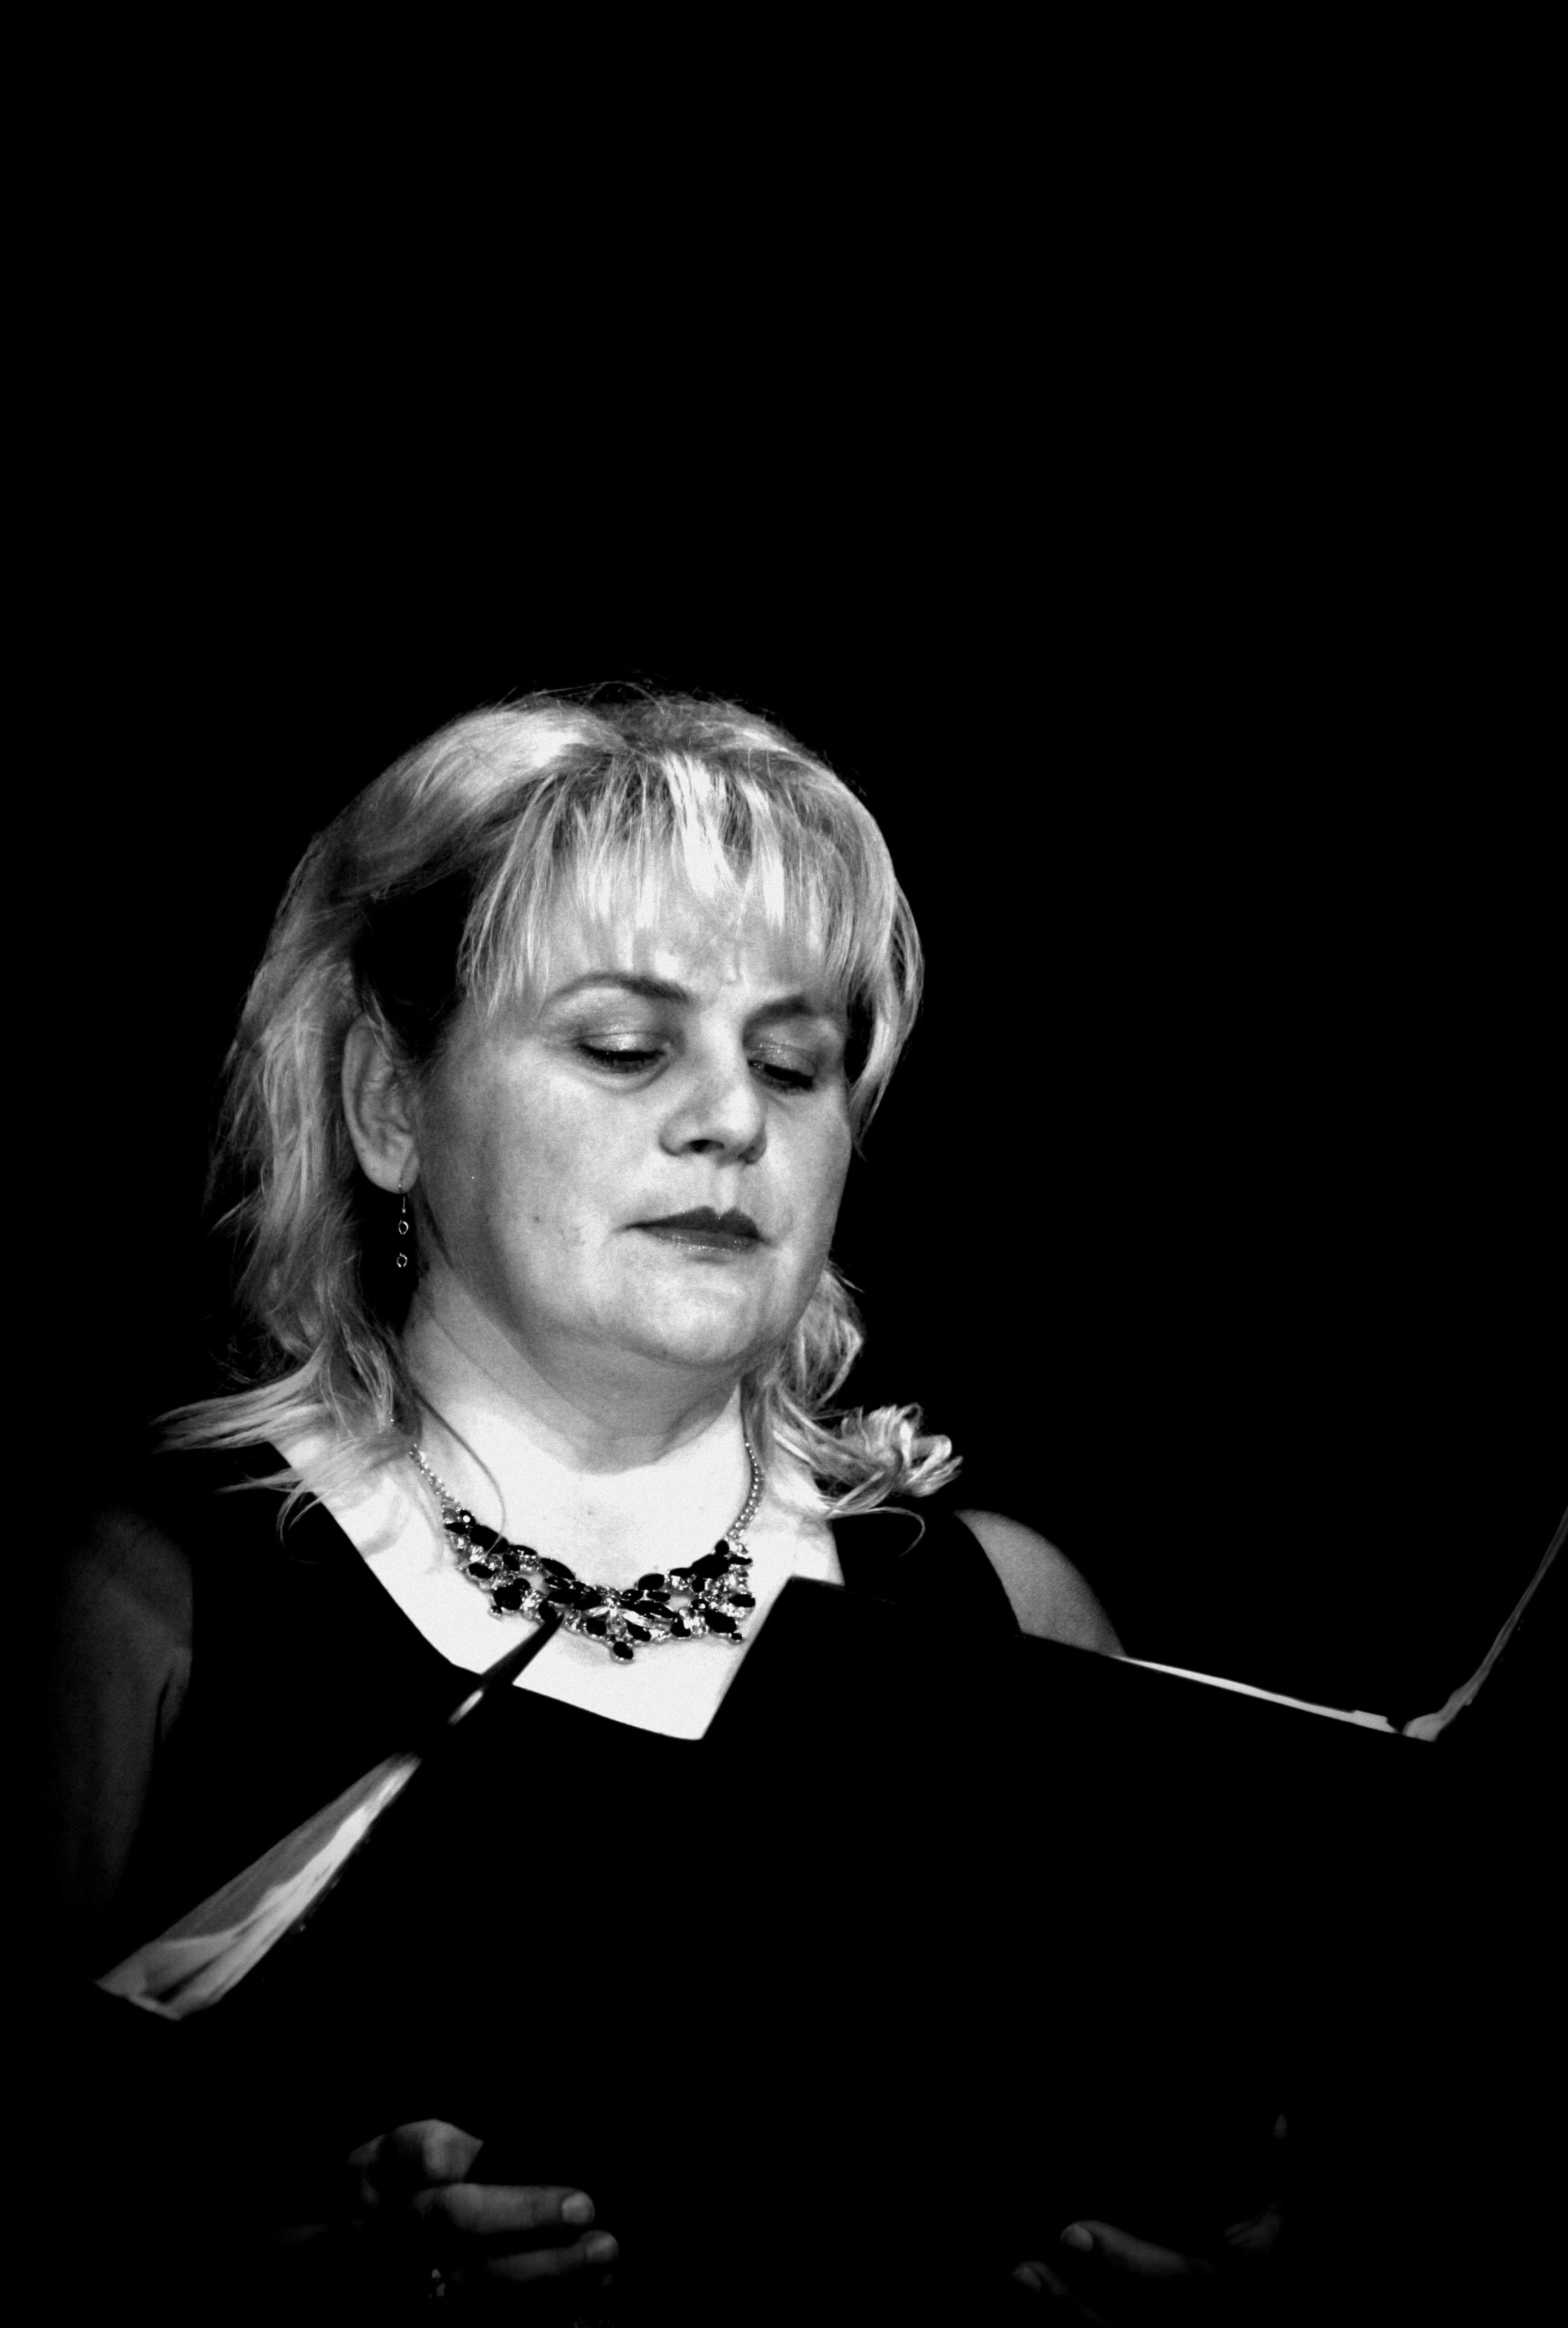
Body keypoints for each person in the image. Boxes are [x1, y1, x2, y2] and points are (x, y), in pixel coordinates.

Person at [46, 692, 1288, 2320]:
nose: (732, 1120)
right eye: (626, 1048)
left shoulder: (1004, 1613)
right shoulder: (159, 1594)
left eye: (793, 1062)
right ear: (389, 1106)